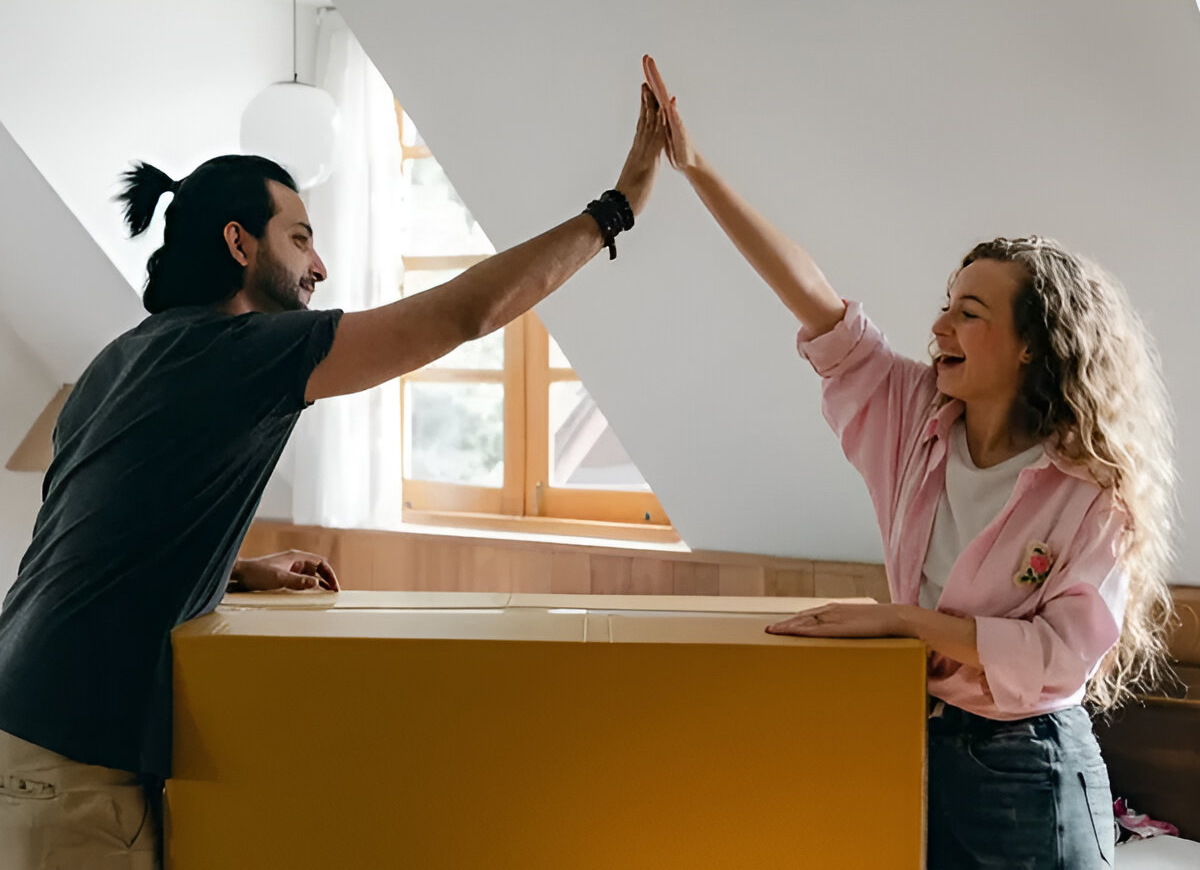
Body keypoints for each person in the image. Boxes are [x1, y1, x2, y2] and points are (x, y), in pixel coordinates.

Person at [0, 84, 665, 869]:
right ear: (240, 244)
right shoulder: (244, 353)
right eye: (300, 239)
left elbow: (84, 532)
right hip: (72, 766)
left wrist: (237, 570)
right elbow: (465, 316)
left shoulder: (125, 355)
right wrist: (616, 209)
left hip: (24, 719)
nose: (320, 265)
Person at [642, 55, 1176, 869]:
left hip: (1029, 767)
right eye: (944, 306)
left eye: (969, 312)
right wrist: (698, 169)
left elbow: (1057, 660)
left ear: (1035, 349)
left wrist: (901, 622)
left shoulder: (1091, 491)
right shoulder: (911, 417)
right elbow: (814, 297)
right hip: (912, 740)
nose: (940, 328)